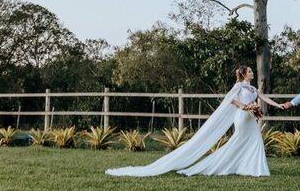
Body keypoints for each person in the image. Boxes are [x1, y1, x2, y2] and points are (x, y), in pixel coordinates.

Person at [106, 66, 282, 177]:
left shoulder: (252, 88)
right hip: (242, 118)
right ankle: (244, 167)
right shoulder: (238, 86)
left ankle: (250, 167)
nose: (252, 72)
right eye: (250, 71)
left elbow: (264, 98)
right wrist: (244, 106)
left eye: (252, 71)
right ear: (244, 75)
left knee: (251, 142)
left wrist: (279, 105)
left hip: (251, 119)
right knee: (241, 141)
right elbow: (230, 100)